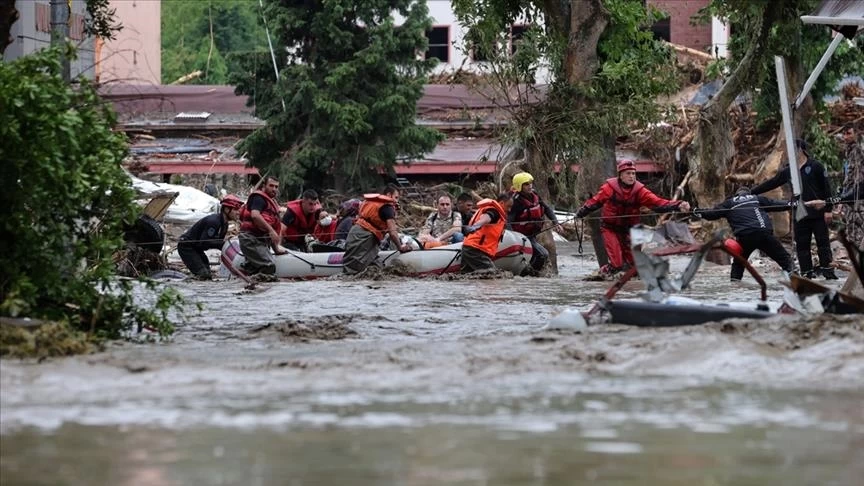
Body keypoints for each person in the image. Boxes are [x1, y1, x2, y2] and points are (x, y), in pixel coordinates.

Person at [575, 160, 691, 276]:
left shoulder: (640, 191)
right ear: (620, 175)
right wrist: (580, 213)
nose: (631, 176)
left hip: (630, 230)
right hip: (610, 229)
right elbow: (595, 202)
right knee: (617, 265)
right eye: (628, 173)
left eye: (633, 173)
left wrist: (678, 205)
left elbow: (658, 204)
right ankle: (600, 276)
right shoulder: (608, 188)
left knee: (634, 266)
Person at [751, 139, 836, 279]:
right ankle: (807, 273)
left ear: (800, 150)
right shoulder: (789, 170)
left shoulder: (816, 166)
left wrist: (828, 209)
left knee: (823, 244)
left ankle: (828, 271)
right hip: (800, 213)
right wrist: (752, 192)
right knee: (802, 245)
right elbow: (772, 183)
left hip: (818, 213)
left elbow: (826, 189)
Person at [693, 187, 796, 281]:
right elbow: (776, 204)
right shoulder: (756, 198)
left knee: (738, 264)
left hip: (744, 237)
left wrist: (696, 211)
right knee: (785, 260)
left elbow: (712, 214)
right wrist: (792, 204)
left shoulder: (729, 203)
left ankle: (735, 284)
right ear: (748, 194)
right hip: (763, 234)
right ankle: (794, 279)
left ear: (736, 195)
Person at [342, 184, 411, 275]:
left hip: (357, 233)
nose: (397, 201)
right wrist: (400, 247)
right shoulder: (387, 207)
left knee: (375, 266)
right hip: (364, 237)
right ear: (389, 195)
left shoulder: (373, 203)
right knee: (354, 268)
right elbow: (393, 233)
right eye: (396, 197)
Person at [178, 194, 243, 279]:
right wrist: (223, 243)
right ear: (227, 209)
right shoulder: (214, 221)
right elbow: (204, 243)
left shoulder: (225, 224)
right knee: (203, 274)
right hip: (187, 247)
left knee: (208, 275)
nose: (238, 212)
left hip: (197, 249)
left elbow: (217, 243)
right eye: (235, 209)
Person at [508, 172, 562, 273]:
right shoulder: (515, 201)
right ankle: (528, 275)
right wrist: (513, 239)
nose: (530, 186)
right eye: (526, 184)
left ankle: (529, 275)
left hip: (532, 235)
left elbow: (546, 209)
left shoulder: (535, 195)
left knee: (538, 256)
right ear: (519, 186)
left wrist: (556, 222)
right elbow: (509, 221)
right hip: (521, 237)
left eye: (530, 183)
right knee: (543, 254)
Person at [238, 176, 286, 281]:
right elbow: (255, 215)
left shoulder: (271, 202)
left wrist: (276, 249)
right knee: (269, 266)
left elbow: (271, 232)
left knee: (257, 267)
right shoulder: (258, 198)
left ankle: (249, 276)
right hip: (250, 239)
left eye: (276, 187)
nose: (274, 189)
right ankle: (259, 289)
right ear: (264, 186)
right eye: (271, 186)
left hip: (259, 241)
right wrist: (271, 230)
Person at [461, 193, 514, 273]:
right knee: (492, 274)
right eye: (508, 206)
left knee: (467, 276)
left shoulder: (493, 211)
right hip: (475, 250)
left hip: (470, 248)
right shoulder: (494, 211)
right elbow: (486, 218)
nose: (510, 210)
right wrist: (475, 226)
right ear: (502, 203)